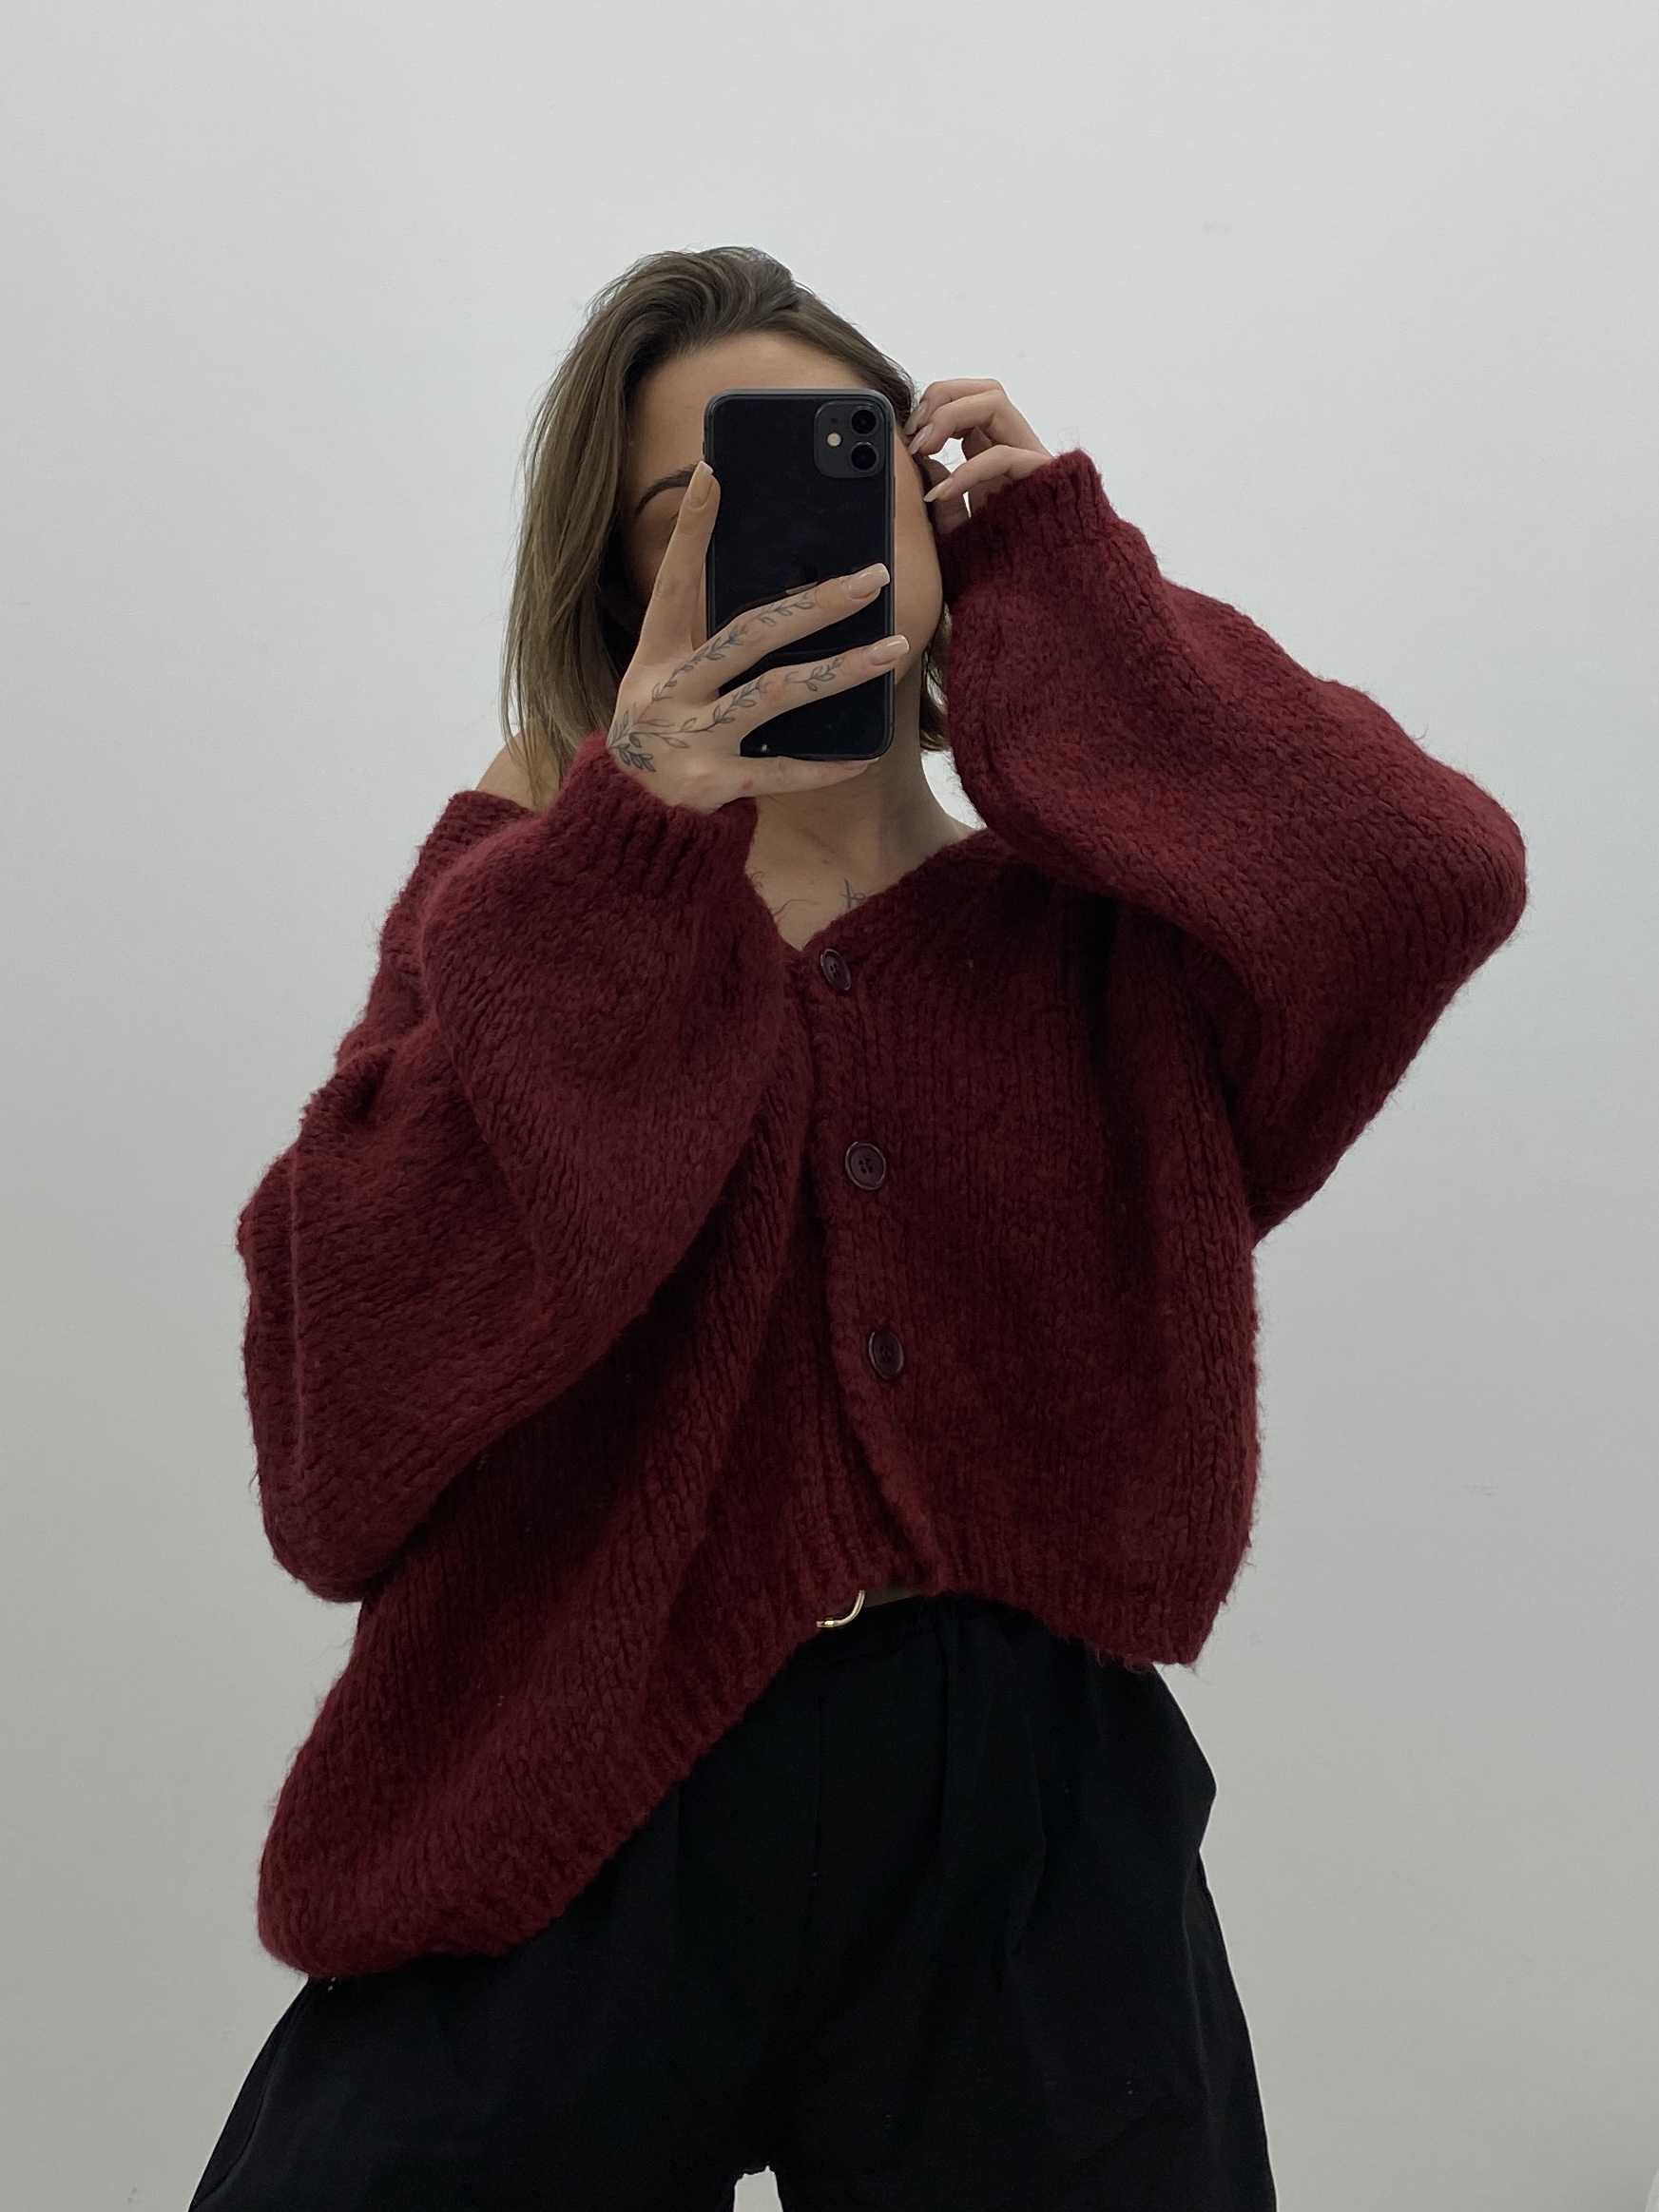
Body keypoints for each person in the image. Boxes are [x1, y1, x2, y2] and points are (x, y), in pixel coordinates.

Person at [188, 245, 1527, 2211]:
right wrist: (623, 837)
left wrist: (1070, 586)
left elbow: (1420, 876)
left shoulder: (1104, 939)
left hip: (1027, 1822)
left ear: (931, 492)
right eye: (694, 499)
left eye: (840, 452)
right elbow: (341, 1438)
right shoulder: (531, 907)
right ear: (625, 590)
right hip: (571, 1768)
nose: (787, 519)